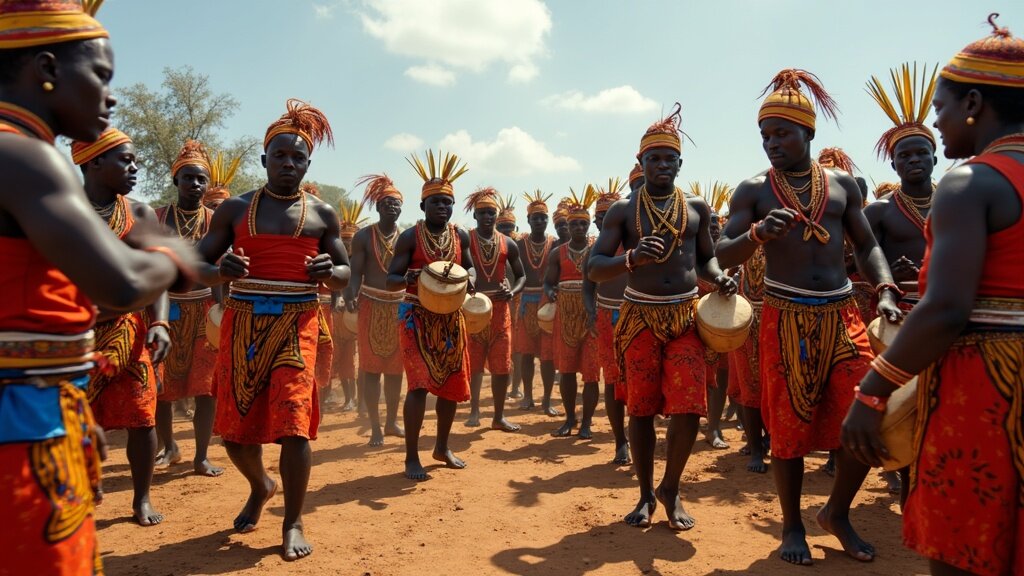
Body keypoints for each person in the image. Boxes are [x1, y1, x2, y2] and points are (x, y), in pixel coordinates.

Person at [0, 2, 196, 572]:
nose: (110, 97)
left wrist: (156, 315)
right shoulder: (26, 157)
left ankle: (140, 494)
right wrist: (173, 256)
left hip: (46, 391)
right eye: (101, 76)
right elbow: (123, 280)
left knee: (139, 415)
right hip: (22, 414)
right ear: (47, 68)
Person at [842, 15, 1024, 576]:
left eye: (940, 108)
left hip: (985, 386)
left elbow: (946, 309)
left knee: (966, 541)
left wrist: (872, 393)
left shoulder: (971, 183)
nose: (938, 122)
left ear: (973, 103)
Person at [716, 69, 903, 566]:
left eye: (782, 133)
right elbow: (721, 253)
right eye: (765, 136)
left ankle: (836, 512)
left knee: (869, 413)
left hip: (843, 313)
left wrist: (885, 288)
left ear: (808, 133)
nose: (771, 143)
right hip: (785, 315)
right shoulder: (753, 191)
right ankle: (792, 525)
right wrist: (757, 234)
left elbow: (867, 245)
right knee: (789, 427)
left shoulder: (841, 186)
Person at [196, 99, 350, 561]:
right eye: (279, 155)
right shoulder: (235, 210)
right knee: (235, 434)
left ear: (308, 164)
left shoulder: (323, 214)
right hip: (242, 323)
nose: (288, 163)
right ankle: (260, 484)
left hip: (298, 323)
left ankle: (293, 520)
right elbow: (197, 264)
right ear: (264, 159)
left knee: (294, 424)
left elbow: (345, 275)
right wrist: (220, 270)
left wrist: (330, 272)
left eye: (297, 157)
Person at [589, 104, 737, 530]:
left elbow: (707, 259)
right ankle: (644, 494)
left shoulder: (696, 208)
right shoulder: (623, 211)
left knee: (689, 406)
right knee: (641, 409)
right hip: (639, 317)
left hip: (687, 318)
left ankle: (670, 488)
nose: (662, 165)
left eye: (669, 158)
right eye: (653, 158)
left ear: (680, 163)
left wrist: (719, 278)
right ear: (641, 162)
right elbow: (594, 267)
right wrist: (631, 258)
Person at [72, 128, 172, 527]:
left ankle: (141, 498)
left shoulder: (140, 214)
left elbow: (158, 276)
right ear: (95, 161)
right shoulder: (60, 211)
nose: (135, 168)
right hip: (73, 335)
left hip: (128, 332)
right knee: (74, 419)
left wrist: (160, 323)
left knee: (142, 417)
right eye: (126, 160)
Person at [387, 150, 474, 480]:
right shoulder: (410, 236)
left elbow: (470, 269)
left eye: (447, 202)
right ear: (423, 206)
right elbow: (391, 279)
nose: (442, 207)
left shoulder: (460, 236)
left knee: (450, 383)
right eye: (436, 202)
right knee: (419, 385)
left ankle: (442, 447)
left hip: (451, 318)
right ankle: (411, 457)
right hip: (415, 316)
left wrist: (472, 279)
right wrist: (409, 276)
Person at [153, 139, 223, 478]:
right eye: (188, 178)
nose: (195, 184)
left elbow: (221, 269)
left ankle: (201, 456)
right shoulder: (158, 219)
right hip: (166, 309)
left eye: (201, 179)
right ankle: (170, 447)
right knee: (162, 388)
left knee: (205, 388)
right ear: (175, 180)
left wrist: (223, 311)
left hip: (206, 310)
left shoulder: (216, 221)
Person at [346, 174, 406, 444]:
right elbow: (355, 273)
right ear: (378, 207)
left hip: (399, 307)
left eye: (396, 203)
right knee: (371, 369)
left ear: (401, 208)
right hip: (370, 304)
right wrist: (350, 294)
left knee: (395, 369)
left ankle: (391, 421)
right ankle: (376, 426)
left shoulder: (406, 238)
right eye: (386, 203)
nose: (391, 207)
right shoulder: (363, 237)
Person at [464, 187, 526, 431]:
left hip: (501, 311)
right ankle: (474, 410)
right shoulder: (466, 240)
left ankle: (498, 416)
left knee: (502, 366)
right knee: (475, 364)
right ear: (475, 215)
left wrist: (512, 292)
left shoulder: (508, 243)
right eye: (483, 213)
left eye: (491, 212)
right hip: (472, 310)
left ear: (496, 215)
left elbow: (521, 275)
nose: (487, 217)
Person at [547, 186, 601, 439]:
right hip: (566, 316)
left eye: (583, 223)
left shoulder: (598, 250)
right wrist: (550, 291)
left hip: (592, 315)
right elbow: (549, 282)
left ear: (589, 225)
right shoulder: (557, 253)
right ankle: (570, 419)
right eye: (574, 224)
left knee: (591, 373)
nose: (579, 227)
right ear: (567, 226)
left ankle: (587, 422)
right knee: (567, 371)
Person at [582, 178, 630, 464]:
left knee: (637, 378)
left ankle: (638, 435)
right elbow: (588, 287)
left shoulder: (635, 242)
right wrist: (591, 311)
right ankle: (620, 441)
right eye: (600, 216)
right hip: (606, 317)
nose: (603, 220)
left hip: (637, 314)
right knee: (612, 381)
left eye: (608, 215)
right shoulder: (594, 251)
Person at [692, 182, 733, 451]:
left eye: (716, 223)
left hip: (723, 324)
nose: (714, 228)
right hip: (694, 322)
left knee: (721, 375)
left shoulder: (730, 253)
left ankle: (714, 427)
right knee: (693, 375)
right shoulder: (690, 253)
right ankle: (691, 424)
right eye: (709, 224)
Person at [515, 190, 559, 415]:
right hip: (526, 304)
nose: (540, 221)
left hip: (547, 302)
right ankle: (528, 396)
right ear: (528, 220)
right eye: (535, 218)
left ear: (547, 220)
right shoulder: (519, 245)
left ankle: (547, 400)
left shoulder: (555, 244)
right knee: (526, 353)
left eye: (543, 217)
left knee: (547, 356)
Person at [727, 245, 768, 473]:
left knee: (778, 384)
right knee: (749, 386)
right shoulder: (744, 234)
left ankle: (771, 438)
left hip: (779, 313)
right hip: (746, 315)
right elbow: (726, 256)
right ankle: (756, 449)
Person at [334, 199, 363, 412]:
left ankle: (358, 399)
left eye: (350, 241)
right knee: (339, 358)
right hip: (337, 317)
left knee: (354, 361)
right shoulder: (335, 262)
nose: (346, 245)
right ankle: (344, 398)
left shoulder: (361, 263)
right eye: (343, 241)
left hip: (357, 316)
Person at [495, 194, 524, 400]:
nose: (506, 230)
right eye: (502, 226)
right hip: (497, 302)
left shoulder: (518, 246)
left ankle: (516, 387)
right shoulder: (492, 245)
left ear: (516, 227)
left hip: (518, 303)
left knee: (518, 349)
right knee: (501, 347)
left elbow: (523, 275)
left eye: (510, 226)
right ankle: (503, 387)